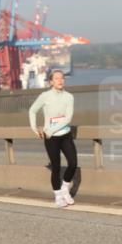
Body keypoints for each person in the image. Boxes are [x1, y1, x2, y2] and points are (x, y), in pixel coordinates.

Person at [28, 69, 77, 208]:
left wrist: (50, 130)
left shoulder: (69, 97)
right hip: (51, 139)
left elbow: (68, 118)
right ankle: (58, 196)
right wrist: (34, 128)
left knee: (73, 163)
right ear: (50, 82)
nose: (60, 80)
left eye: (62, 78)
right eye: (56, 78)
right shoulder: (45, 96)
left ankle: (65, 188)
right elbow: (32, 110)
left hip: (64, 135)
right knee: (56, 167)